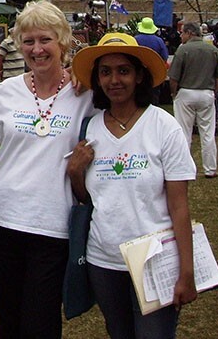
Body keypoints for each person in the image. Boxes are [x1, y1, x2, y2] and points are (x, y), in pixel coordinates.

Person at [68, 32, 197, 339]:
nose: (115, 79)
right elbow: (90, 198)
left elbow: (179, 205)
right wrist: (75, 172)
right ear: (97, 79)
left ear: (140, 76)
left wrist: (187, 271)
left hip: (154, 259)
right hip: (103, 260)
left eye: (124, 71)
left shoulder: (163, 126)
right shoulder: (90, 127)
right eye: (105, 71)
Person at [0, 0, 94, 339]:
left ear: (63, 42)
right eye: (28, 41)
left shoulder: (85, 93)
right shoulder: (5, 93)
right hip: (1, 220)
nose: (37, 49)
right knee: (9, 321)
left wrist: (84, 75)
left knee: (41, 321)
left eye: (45, 40)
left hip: (52, 224)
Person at [168, 22, 218, 178]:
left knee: (183, 132)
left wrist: (174, 94)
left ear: (189, 33)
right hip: (206, 93)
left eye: (182, 33)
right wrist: (214, 91)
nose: (180, 36)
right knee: (207, 133)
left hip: (185, 93)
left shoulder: (182, 50)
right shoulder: (214, 51)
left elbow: (173, 77)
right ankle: (210, 169)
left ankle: (183, 167)